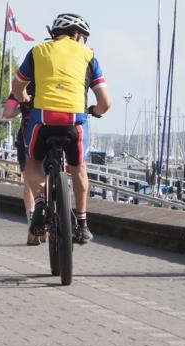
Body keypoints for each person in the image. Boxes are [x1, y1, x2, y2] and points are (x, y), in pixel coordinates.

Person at [12, 13, 112, 245]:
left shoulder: (38, 52)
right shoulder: (89, 56)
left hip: (42, 120)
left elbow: (17, 87)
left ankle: (38, 204)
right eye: (84, 38)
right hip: (74, 121)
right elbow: (106, 102)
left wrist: (26, 99)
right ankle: (83, 223)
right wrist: (95, 111)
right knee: (78, 167)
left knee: (33, 162)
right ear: (77, 35)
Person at [1, 83, 42, 245]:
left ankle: (32, 223)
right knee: (47, 176)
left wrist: (23, 110)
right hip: (51, 130)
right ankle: (51, 220)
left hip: (27, 135)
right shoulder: (50, 81)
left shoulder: (22, 84)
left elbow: (7, 112)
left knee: (29, 181)